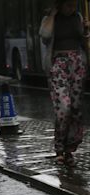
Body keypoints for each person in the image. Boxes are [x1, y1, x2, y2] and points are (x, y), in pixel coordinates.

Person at [39, 0, 90, 167]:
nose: (72, 8)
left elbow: (84, 41)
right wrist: (52, 15)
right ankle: (59, 148)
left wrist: (87, 31)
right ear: (60, 4)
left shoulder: (79, 17)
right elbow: (45, 37)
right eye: (68, 5)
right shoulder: (50, 18)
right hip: (58, 64)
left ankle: (69, 149)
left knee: (75, 108)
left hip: (77, 64)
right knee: (64, 107)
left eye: (74, 5)